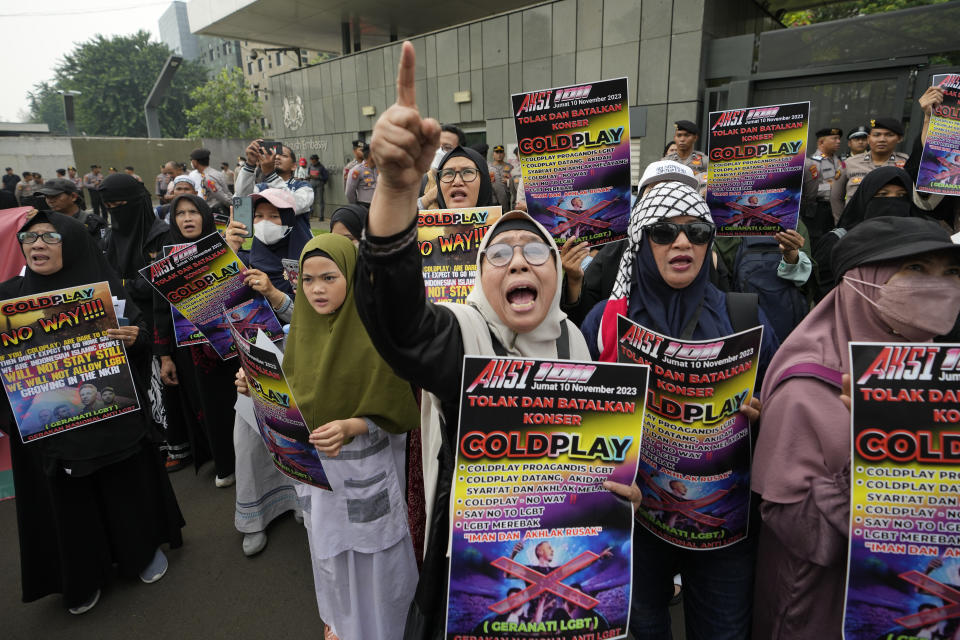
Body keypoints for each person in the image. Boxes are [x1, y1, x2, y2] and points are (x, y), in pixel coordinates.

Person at [354, 42, 593, 639]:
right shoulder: (462, 333)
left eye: (535, 251)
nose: (519, 262)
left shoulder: (576, 342)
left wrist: (617, 499)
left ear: (556, 274)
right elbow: (398, 321)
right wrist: (395, 191)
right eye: (501, 254)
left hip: (566, 569)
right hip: (471, 572)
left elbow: (598, 464)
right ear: (481, 278)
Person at [579, 180, 776, 640]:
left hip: (723, 526)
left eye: (697, 233)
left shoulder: (743, 315)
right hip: (635, 520)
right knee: (642, 628)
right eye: (665, 232)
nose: (682, 242)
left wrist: (764, 415)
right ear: (643, 243)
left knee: (724, 630)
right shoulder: (606, 324)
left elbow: (784, 406)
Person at [751, 215, 960, 639]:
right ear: (864, 280)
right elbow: (800, 532)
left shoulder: (941, 373)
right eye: (916, 269)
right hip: (825, 608)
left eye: (951, 272)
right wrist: (875, 464)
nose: (938, 286)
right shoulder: (807, 385)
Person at [236, 232, 420, 639]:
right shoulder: (301, 329)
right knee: (329, 549)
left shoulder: (377, 333)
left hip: (365, 471)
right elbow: (293, 389)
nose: (317, 289)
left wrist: (353, 425)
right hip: (318, 476)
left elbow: (399, 408)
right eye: (307, 279)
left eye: (329, 278)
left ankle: (381, 629)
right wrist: (257, 383)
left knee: (376, 557)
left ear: (352, 277)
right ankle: (341, 621)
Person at [0, 211, 184, 615]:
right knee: (69, 504)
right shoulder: (6, 300)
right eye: (29, 238)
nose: (37, 245)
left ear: (74, 243)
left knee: (124, 488)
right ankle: (82, 575)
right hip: (51, 433)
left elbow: (139, 344)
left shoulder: (104, 294)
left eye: (49, 237)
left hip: (111, 426)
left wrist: (135, 338)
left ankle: (140, 552)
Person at [220, 188, 312, 495]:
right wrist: (225, 255)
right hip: (254, 364)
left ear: (289, 220)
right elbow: (213, 309)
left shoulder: (311, 262)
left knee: (298, 437)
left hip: (302, 364)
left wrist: (275, 294)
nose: (264, 223)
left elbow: (317, 322)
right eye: (258, 216)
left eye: (274, 216)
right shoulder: (243, 256)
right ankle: (258, 512)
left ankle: (301, 503)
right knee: (251, 440)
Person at [813, 166, 914, 299]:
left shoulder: (919, 240)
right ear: (865, 197)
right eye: (883, 195)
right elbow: (823, 293)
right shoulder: (838, 242)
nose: (892, 202)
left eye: (901, 195)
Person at [830, 117, 909, 220]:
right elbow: (836, 198)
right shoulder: (850, 163)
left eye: (889, 135)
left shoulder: (907, 164)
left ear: (899, 139)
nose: (882, 139)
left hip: (893, 226)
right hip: (856, 227)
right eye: (877, 135)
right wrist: (842, 225)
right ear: (868, 139)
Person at [235, 139, 314, 237]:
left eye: (283, 155)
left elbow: (293, 205)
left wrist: (270, 174)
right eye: (274, 154)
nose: (276, 157)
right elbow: (241, 201)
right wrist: (250, 164)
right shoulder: (261, 188)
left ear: (294, 166)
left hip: (297, 246)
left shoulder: (303, 187)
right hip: (264, 248)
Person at [35, 178, 107, 249]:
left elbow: (101, 253)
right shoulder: (45, 221)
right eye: (47, 197)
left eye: (55, 196)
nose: (50, 201)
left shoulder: (94, 223)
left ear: (73, 197)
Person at [802, 127, 845, 247]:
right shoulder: (813, 162)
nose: (838, 141)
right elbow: (810, 190)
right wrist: (834, 187)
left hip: (835, 208)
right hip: (819, 209)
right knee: (817, 241)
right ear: (821, 142)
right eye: (834, 138)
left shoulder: (839, 160)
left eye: (839, 138)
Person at [663, 120, 709, 189]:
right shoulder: (666, 161)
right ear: (674, 138)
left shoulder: (704, 160)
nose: (682, 139)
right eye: (679, 135)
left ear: (695, 138)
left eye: (686, 135)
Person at [188, 149, 232, 213]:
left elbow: (222, 197)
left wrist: (235, 207)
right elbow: (227, 193)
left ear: (195, 162)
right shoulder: (217, 173)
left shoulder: (208, 179)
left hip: (216, 211)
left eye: (191, 160)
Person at [306, 154, 329, 221]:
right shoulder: (310, 166)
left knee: (320, 201)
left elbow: (325, 177)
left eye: (313, 160)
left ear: (316, 160)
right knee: (311, 200)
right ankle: (310, 214)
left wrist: (317, 177)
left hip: (319, 185)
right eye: (311, 160)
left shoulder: (321, 167)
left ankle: (321, 216)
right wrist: (309, 178)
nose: (312, 161)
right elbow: (309, 175)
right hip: (312, 184)